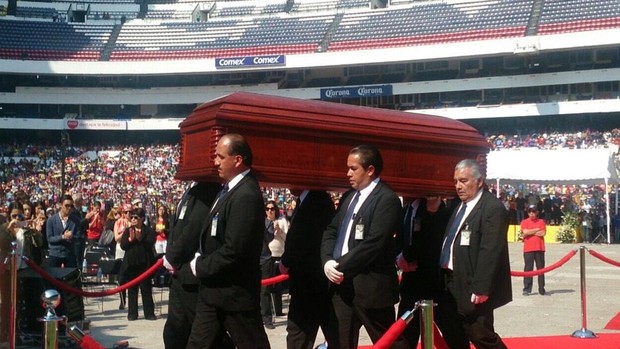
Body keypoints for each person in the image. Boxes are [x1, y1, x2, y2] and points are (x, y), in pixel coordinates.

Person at [184, 133, 271, 349]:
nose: (215, 162)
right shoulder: (228, 189)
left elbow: (235, 250)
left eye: (221, 157)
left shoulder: (246, 195)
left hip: (234, 295)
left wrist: (200, 265)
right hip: (214, 292)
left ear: (237, 160)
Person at [320, 144, 407, 349]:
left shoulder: (386, 199)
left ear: (370, 170)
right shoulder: (349, 197)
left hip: (371, 288)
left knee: (388, 342)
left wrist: (339, 265)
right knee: (340, 342)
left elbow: (375, 242)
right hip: (343, 287)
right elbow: (331, 230)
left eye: (353, 168)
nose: (348, 173)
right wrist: (327, 261)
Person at [438, 159, 512, 349]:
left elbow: (491, 250)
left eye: (463, 181)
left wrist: (481, 287)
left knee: (481, 334)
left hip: (472, 284)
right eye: (455, 182)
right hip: (451, 281)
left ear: (479, 181)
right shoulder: (459, 206)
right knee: (453, 332)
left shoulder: (491, 208)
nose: (458, 186)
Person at [162, 181, 224, 349]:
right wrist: (170, 255)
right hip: (178, 273)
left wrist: (173, 256)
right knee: (174, 331)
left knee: (201, 334)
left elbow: (193, 228)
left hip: (191, 274)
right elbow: (176, 229)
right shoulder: (193, 188)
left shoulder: (207, 189)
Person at [279, 189, 336, 349]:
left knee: (299, 337)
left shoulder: (317, 201)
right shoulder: (307, 200)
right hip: (310, 283)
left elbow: (303, 238)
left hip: (312, 284)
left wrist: (286, 261)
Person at [397, 196, 450, 348]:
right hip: (410, 284)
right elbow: (398, 240)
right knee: (405, 337)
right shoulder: (407, 210)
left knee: (452, 335)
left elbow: (430, 241)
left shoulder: (440, 210)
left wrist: (405, 256)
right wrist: (399, 259)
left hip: (436, 285)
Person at [0, 202, 44, 344]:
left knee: (20, 303)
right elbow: (2, 242)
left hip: (24, 269)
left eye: (19, 215)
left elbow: (40, 243)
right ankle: (4, 332)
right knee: (6, 302)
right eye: (14, 216)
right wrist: (9, 227)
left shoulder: (26, 229)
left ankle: (19, 331)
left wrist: (35, 230)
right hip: (7, 270)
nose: (17, 218)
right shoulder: (4, 228)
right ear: (9, 216)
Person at [119, 207, 157, 321]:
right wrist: (130, 240)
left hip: (144, 263)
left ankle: (149, 313)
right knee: (132, 289)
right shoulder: (128, 230)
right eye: (132, 217)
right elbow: (123, 246)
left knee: (146, 288)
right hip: (131, 263)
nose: (134, 219)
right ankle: (132, 313)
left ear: (142, 219)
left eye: (136, 217)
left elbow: (150, 243)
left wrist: (140, 238)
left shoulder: (148, 230)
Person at [261, 200, 289, 329]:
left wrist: (279, 231)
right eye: (267, 208)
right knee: (265, 289)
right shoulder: (263, 222)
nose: (270, 211)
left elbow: (288, 239)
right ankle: (266, 316)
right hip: (266, 256)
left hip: (279, 254)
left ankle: (276, 311)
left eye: (272, 208)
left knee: (277, 287)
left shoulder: (282, 221)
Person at [46, 194, 81, 268]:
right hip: (55, 254)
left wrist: (72, 236)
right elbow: (49, 238)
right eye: (67, 205)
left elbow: (79, 237)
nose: (69, 208)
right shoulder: (51, 220)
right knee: (52, 277)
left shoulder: (76, 220)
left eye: (71, 206)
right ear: (60, 205)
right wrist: (62, 237)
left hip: (69, 254)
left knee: (71, 277)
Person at [521, 205, 546, 296]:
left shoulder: (541, 221)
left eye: (533, 211)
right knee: (528, 269)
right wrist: (536, 230)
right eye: (530, 212)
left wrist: (529, 232)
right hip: (528, 249)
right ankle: (527, 288)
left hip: (539, 248)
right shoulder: (524, 222)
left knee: (541, 269)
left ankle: (541, 288)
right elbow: (525, 232)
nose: (531, 213)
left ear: (537, 212)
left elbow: (543, 233)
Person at [113, 203, 132, 310]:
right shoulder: (118, 222)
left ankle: (132, 300)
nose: (128, 214)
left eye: (130, 212)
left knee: (131, 275)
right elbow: (116, 238)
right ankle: (122, 300)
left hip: (130, 250)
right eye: (126, 212)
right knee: (121, 276)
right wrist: (125, 231)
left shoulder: (133, 222)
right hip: (120, 250)